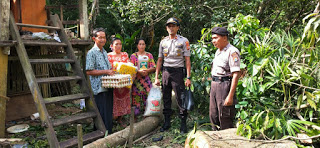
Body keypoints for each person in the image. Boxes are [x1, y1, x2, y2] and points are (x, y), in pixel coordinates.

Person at [154, 17, 191, 134]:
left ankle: (183, 123)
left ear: (177, 27)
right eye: (169, 26)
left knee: (180, 97)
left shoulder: (183, 41)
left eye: (173, 26)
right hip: (166, 72)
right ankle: (167, 122)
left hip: (178, 72)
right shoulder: (163, 42)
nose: (171, 28)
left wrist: (188, 77)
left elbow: (187, 60)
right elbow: (160, 60)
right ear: (166, 28)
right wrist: (156, 77)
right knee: (166, 97)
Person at [209, 27, 241, 130]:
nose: (213, 41)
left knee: (224, 116)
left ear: (224, 38)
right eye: (212, 38)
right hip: (215, 85)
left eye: (215, 38)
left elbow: (236, 74)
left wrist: (230, 96)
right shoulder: (218, 51)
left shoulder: (232, 51)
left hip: (224, 86)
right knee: (213, 115)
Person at [86, 28, 115, 134]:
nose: (103, 40)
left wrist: (111, 71)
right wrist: (106, 71)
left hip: (108, 85)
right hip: (99, 87)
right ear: (94, 38)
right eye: (100, 37)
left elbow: (108, 69)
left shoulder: (104, 52)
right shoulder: (91, 53)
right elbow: (89, 71)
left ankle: (108, 133)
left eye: (104, 37)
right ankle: (101, 133)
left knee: (108, 111)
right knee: (101, 112)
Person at [107, 38, 131, 127]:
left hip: (124, 82)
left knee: (124, 101)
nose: (118, 46)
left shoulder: (125, 55)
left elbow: (129, 65)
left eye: (120, 44)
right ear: (111, 46)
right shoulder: (108, 56)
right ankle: (112, 119)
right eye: (116, 44)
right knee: (114, 101)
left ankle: (120, 119)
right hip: (114, 83)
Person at [130, 38, 156, 115]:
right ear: (137, 45)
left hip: (147, 81)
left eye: (143, 44)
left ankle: (148, 115)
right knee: (136, 99)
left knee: (148, 98)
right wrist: (138, 71)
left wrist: (147, 71)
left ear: (145, 45)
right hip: (136, 81)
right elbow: (131, 68)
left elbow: (154, 67)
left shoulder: (149, 55)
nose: (141, 46)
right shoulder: (133, 56)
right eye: (140, 44)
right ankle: (135, 116)